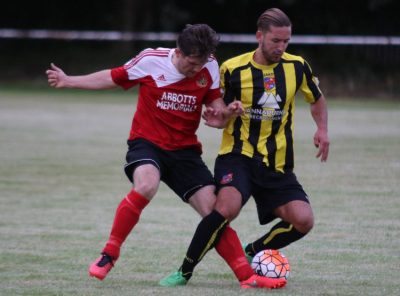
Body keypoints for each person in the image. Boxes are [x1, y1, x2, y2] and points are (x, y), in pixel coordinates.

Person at [46, 24, 286, 289]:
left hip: (184, 153)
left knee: (215, 213)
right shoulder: (151, 60)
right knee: (147, 184)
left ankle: (246, 277)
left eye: (201, 64)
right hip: (147, 143)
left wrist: (228, 112)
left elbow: (215, 110)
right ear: (179, 52)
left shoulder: (210, 66)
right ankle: (109, 253)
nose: (196, 70)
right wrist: (70, 80)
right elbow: (112, 77)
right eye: (192, 64)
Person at [161, 7, 330, 286]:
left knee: (304, 220)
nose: (281, 47)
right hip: (237, 156)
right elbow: (218, 117)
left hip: (276, 162)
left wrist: (322, 129)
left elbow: (317, 98)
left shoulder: (297, 66)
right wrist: (221, 117)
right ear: (259, 36)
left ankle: (253, 251)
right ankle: (185, 270)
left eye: (286, 41)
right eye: (276, 41)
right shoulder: (232, 69)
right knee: (225, 209)